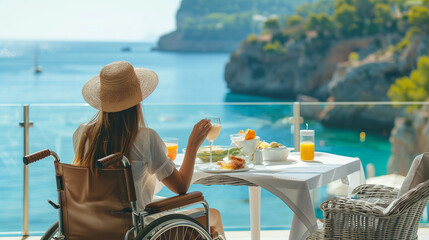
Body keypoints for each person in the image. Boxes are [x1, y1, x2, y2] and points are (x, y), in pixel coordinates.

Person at [72, 61, 224, 236]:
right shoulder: (146, 139)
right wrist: (192, 146)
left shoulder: (82, 134)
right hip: (138, 231)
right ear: (137, 101)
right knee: (213, 216)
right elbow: (181, 187)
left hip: (93, 228)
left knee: (206, 230)